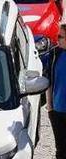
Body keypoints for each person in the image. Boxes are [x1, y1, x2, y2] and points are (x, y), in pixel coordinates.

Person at [47, 23, 66, 159]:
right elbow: (49, 79)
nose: (57, 39)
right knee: (60, 150)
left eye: (60, 36)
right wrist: (49, 107)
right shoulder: (55, 53)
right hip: (58, 111)